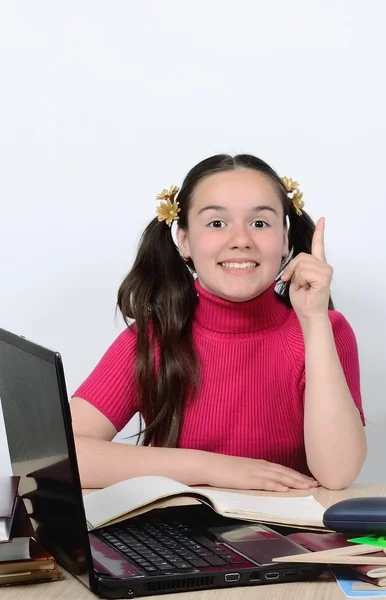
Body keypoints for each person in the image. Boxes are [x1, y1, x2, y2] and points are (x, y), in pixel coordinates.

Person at [71, 154, 367, 492]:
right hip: (179, 538)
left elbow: (338, 474)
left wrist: (314, 321)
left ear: (284, 240)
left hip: (288, 539)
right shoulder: (154, 337)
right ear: (183, 240)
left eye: (260, 223)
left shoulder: (326, 330)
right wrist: (212, 468)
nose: (241, 240)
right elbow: (64, 458)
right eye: (216, 223)